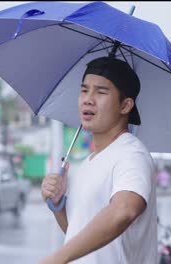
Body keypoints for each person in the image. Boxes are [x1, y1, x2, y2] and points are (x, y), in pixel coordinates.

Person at [40, 56, 157, 264]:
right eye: (84, 90)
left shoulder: (131, 155)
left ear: (125, 105)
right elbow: (81, 237)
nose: (88, 99)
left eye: (101, 92)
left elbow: (124, 210)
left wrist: (57, 258)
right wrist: (58, 205)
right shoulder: (87, 163)